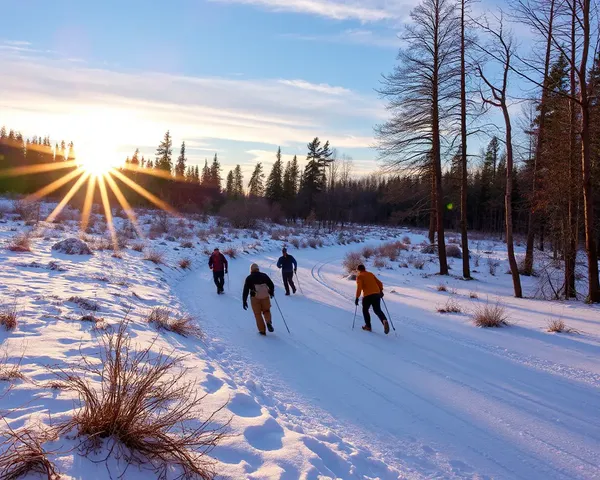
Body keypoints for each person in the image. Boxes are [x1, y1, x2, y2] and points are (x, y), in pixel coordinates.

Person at [355, 264, 390, 334]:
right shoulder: (370, 274)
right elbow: (380, 283)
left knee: (365, 310)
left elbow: (359, 288)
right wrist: (381, 291)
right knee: (377, 310)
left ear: (358, 270)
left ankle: (368, 326)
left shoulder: (359, 276)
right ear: (364, 268)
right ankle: (384, 321)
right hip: (376, 294)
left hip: (367, 295)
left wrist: (357, 297)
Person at [242, 264, 275, 335]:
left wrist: (244, 301)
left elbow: (246, 290)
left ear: (251, 270)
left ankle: (262, 330)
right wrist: (271, 292)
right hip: (265, 296)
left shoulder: (249, 278)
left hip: (255, 298)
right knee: (266, 310)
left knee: (258, 314)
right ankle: (268, 322)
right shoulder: (264, 275)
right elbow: (271, 285)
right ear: (258, 268)